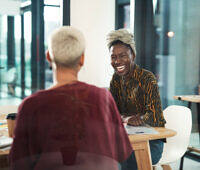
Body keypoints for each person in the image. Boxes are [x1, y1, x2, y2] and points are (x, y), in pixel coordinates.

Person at [9, 26, 133, 170]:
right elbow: (121, 153)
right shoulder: (103, 98)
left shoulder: (30, 106)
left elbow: (18, 164)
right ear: (82, 59)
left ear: (48, 56)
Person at [107, 29, 166, 170]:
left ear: (132, 55)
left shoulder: (147, 78)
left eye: (122, 56)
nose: (117, 61)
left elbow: (155, 116)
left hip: (150, 143)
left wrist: (140, 118)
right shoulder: (116, 79)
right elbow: (111, 110)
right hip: (125, 139)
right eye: (113, 57)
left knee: (120, 160)